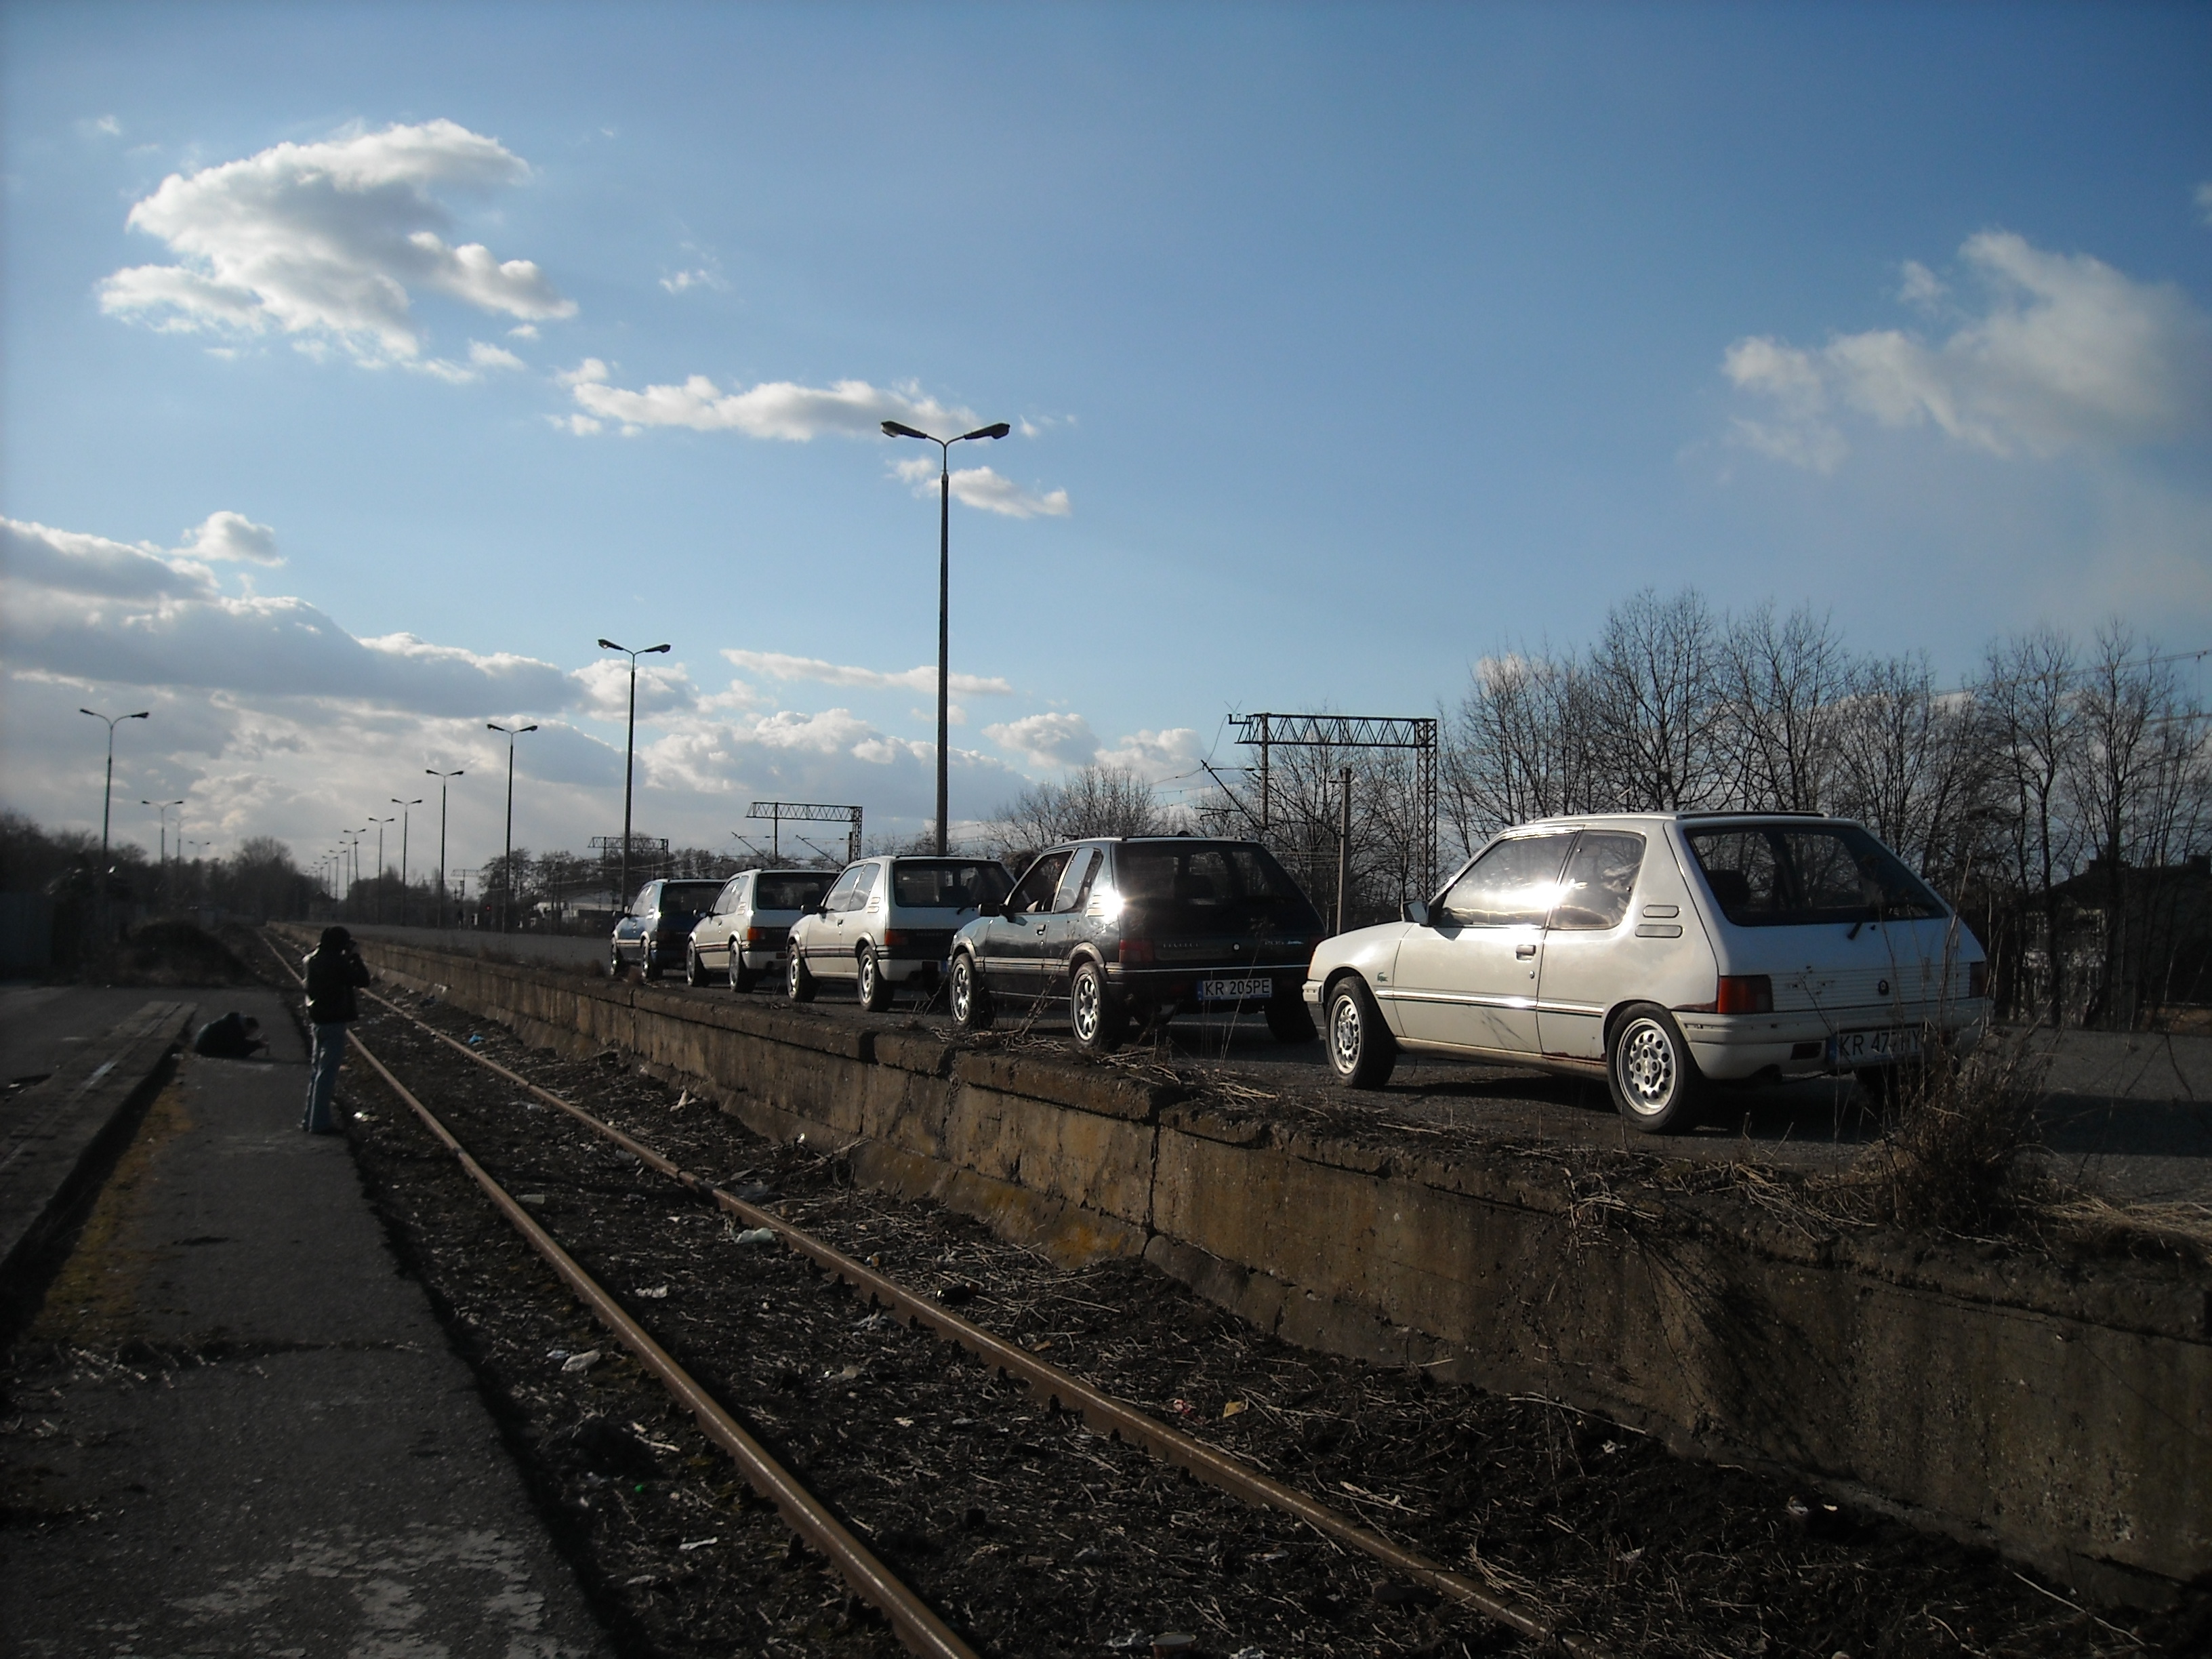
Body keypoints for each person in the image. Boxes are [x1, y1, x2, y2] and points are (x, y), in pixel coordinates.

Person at [302, 926, 371, 1134]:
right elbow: (363, 980)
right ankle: (319, 1124)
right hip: (334, 1021)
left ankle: (309, 1119)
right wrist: (355, 957)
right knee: (327, 1074)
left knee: (316, 1072)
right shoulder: (338, 962)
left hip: (317, 1020)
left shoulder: (311, 960)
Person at [191, 1012, 267, 1059]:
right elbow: (239, 1050)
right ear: (247, 1027)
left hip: (203, 1045)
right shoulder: (234, 1029)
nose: (250, 1035)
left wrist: (256, 1043)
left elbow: (238, 1042)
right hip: (206, 1049)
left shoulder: (233, 1023)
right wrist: (258, 1044)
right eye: (251, 1032)